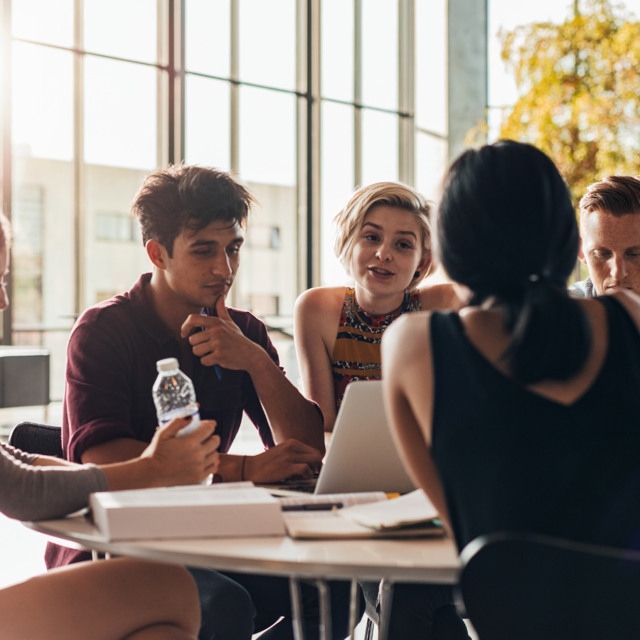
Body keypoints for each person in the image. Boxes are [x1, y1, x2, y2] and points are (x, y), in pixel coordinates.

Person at [47, 164, 351, 640]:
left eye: (233, 249)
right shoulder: (103, 331)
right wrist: (242, 469)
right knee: (224, 606)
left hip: (208, 532)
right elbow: (100, 459)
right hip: (116, 541)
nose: (224, 269)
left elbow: (307, 450)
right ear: (157, 253)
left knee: (333, 587)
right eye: (204, 250)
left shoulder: (243, 331)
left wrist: (255, 361)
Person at [383, 140, 640, 561]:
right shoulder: (631, 318)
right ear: (563, 238)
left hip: (509, 615)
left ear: (451, 238)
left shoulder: (411, 344)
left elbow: (467, 528)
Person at [0, 210, 221, 640]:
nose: (3, 301)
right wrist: (153, 469)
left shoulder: (237, 331)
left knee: (160, 629)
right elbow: (22, 491)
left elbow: (18, 465)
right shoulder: (105, 329)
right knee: (166, 585)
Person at [294, 182, 468, 640]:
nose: (384, 254)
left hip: (425, 490)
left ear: (422, 262)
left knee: (413, 595)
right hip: (352, 494)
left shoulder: (437, 303)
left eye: (403, 244)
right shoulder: (319, 308)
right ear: (347, 243)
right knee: (424, 605)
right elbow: (324, 425)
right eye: (371, 237)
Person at [570, 174, 640, 297]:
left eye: (635, 254)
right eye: (602, 254)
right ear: (581, 250)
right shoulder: (562, 312)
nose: (617, 273)